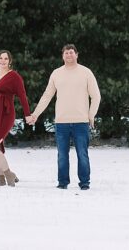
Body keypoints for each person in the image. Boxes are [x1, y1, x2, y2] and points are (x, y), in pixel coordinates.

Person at [25, 43, 101, 190]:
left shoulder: (86, 73)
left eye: (71, 52)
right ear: (62, 56)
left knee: (82, 154)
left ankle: (84, 183)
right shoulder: (56, 73)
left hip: (81, 122)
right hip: (62, 123)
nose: (69, 55)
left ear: (76, 55)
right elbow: (47, 96)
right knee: (62, 155)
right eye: (66, 53)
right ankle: (62, 182)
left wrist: (91, 115)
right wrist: (35, 114)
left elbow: (96, 96)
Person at [0, 49, 31, 186]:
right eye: (1, 58)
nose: (3, 61)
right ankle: (0, 179)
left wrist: (27, 114)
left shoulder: (14, 76)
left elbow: (22, 96)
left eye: (6, 59)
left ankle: (9, 174)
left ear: (10, 61)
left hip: (4, 115)